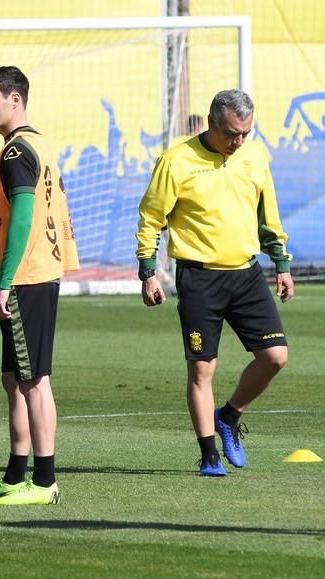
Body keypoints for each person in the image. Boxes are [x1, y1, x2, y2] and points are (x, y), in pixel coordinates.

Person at [136, 89, 294, 476]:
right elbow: (151, 217)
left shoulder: (255, 156)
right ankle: (209, 456)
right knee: (202, 370)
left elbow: (266, 214)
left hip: (246, 274)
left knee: (276, 356)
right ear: (212, 123)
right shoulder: (176, 161)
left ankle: (229, 415)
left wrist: (282, 264)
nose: (238, 141)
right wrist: (148, 271)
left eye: (245, 133)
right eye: (231, 134)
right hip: (200, 278)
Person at [0, 66, 80, 506]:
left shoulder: (17, 153)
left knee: (35, 380)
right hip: (41, 272)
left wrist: (3, 282)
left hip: (27, 278)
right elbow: (16, 218)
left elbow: (23, 225)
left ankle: (45, 480)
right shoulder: (39, 145)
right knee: (16, 378)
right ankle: (17, 473)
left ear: (14, 100)